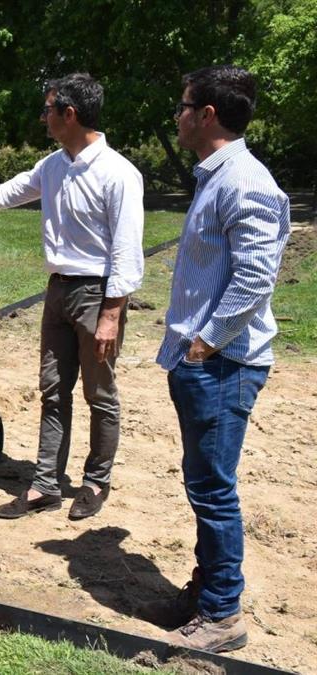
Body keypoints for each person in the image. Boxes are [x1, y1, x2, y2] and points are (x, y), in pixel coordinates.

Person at [0, 73, 144, 521]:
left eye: (47, 110)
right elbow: (2, 196)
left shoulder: (119, 173)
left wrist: (111, 317)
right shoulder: (54, 165)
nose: (42, 118)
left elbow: (126, 251)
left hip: (97, 294)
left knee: (100, 396)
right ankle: (45, 485)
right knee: (53, 391)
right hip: (58, 291)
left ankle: (96, 482)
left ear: (70, 113)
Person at [143, 65, 290, 654]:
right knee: (204, 483)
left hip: (223, 364)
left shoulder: (245, 181)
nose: (176, 116)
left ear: (207, 115)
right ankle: (205, 594)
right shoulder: (217, 175)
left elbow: (256, 275)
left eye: (183, 106)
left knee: (213, 490)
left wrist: (206, 342)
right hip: (205, 360)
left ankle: (224, 612)